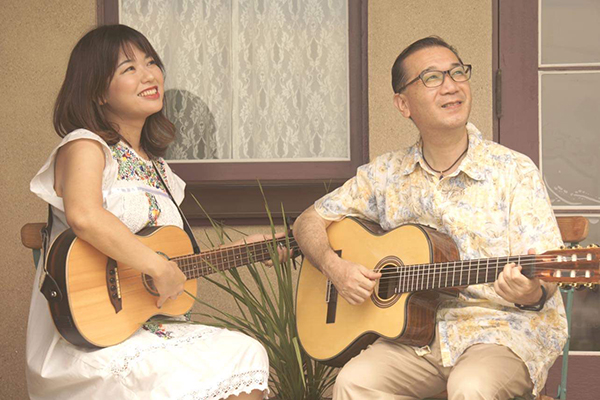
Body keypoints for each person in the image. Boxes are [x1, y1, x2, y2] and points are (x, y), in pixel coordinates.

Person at [293, 36, 568, 400]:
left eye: (457, 72)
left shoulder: (513, 170)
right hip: (416, 338)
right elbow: (307, 222)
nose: (451, 86)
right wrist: (335, 267)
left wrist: (531, 291)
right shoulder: (385, 175)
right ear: (403, 104)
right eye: (432, 78)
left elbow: (546, 271)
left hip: (502, 330)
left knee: (471, 387)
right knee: (354, 382)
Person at [27, 25, 276, 400]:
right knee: (178, 378)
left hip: (143, 327)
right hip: (84, 336)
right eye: (129, 68)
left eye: (151, 62)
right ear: (97, 91)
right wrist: (155, 266)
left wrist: (246, 247)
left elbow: (173, 259)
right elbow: (85, 216)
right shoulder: (85, 146)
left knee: (246, 353)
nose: (149, 75)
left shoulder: (160, 171)